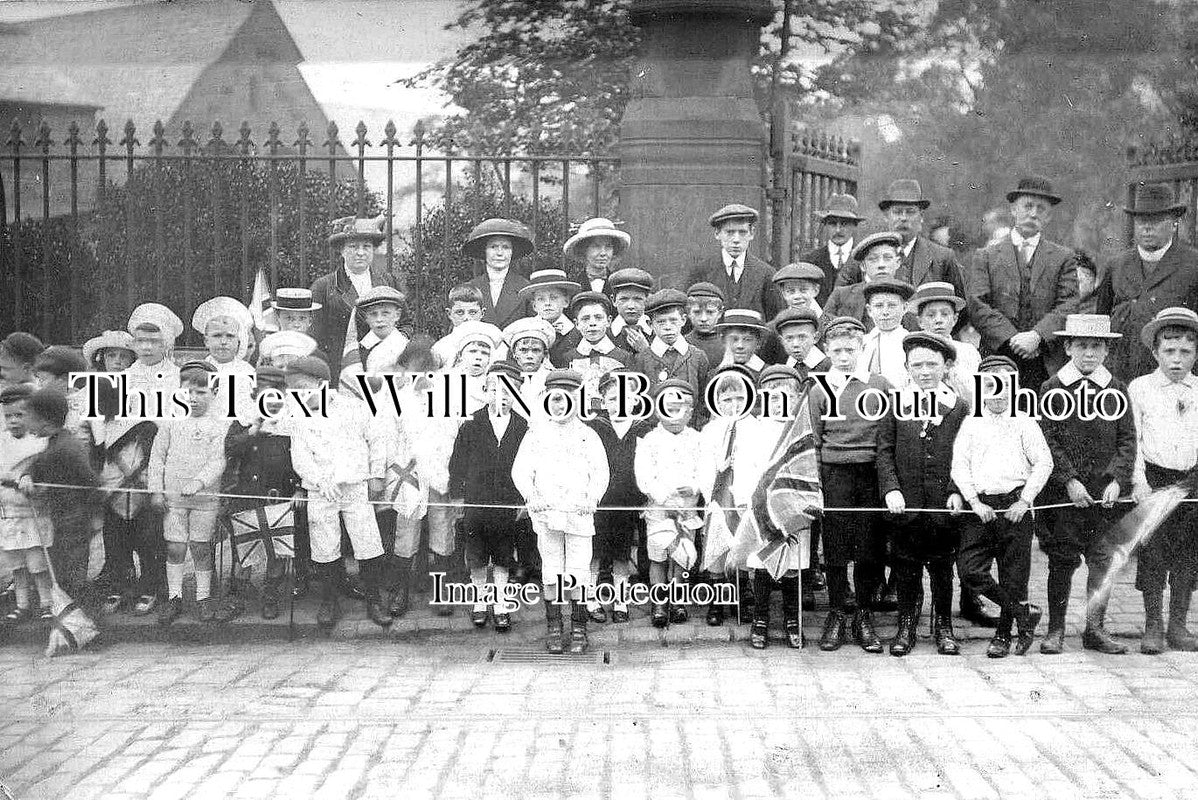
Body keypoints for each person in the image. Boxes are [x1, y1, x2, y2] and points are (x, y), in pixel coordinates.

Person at [1037, 314, 1134, 655]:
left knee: (1103, 560)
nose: (1089, 353)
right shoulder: (1052, 388)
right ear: (1067, 347)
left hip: (1104, 495)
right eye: (1081, 346)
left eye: (1096, 346)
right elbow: (1048, 440)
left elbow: (1127, 440)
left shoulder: (1116, 389)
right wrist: (1069, 481)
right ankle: (1055, 630)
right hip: (1067, 495)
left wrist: (1118, 480)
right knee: (1062, 560)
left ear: (1106, 350)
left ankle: (1095, 629)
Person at [951, 355, 1053, 658]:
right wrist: (973, 500)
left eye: (1004, 387)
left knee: (1014, 576)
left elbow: (1043, 463)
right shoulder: (970, 424)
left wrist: (1025, 500)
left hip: (1014, 508)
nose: (997, 395)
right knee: (970, 571)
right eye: (990, 387)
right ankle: (1023, 613)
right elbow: (959, 467)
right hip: (980, 509)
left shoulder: (1024, 423)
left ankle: (1004, 635)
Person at [876, 332, 970, 656]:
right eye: (917, 365)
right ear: (907, 366)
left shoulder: (958, 408)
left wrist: (958, 492)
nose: (925, 371)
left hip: (943, 504)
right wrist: (891, 489)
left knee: (943, 568)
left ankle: (943, 625)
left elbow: (965, 455)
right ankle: (906, 625)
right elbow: (885, 452)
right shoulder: (895, 405)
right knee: (906, 567)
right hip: (906, 504)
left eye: (932, 364)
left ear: (946, 366)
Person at [286, 355, 392, 629]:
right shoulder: (297, 417)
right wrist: (320, 480)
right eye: (293, 389)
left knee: (367, 542)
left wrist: (376, 475)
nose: (299, 394)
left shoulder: (353, 408)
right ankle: (329, 600)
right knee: (324, 545)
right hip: (321, 492)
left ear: (323, 384)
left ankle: (374, 600)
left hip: (355, 487)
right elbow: (300, 457)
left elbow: (376, 440)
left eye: (304, 387)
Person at [809, 317, 891, 652]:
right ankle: (839, 612)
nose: (844, 356)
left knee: (869, 546)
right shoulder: (820, 389)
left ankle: (864, 614)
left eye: (850, 350)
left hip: (870, 472)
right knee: (837, 545)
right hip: (834, 474)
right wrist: (816, 483)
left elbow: (888, 435)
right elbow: (814, 441)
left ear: (862, 349)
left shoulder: (880, 385)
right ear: (827, 350)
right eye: (837, 350)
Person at [512, 369, 609, 654]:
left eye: (568, 399)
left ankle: (579, 628)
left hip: (579, 513)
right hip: (547, 513)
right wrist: (531, 496)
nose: (561, 405)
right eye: (555, 399)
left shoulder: (588, 435)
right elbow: (521, 470)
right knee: (552, 570)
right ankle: (554, 627)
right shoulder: (536, 434)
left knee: (578, 570)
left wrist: (592, 498)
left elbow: (600, 472)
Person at [1128, 307, 1198, 654]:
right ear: (1155, 352)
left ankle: (1178, 625)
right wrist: (1138, 481)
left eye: (1186, 352)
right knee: (1153, 553)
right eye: (1169, 351)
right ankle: (1153, 624)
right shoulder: (1140, 389)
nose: (1176, 360)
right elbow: (1134, 440)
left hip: (1192, 481)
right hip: (1154, 478)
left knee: (1188, 554)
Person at [969, 176, 1080, 390]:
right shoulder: (986, 256)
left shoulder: (1063, 257)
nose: (1033, 213)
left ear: (1048, 216)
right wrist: (1012, 338)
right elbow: (977, 305)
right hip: (997, 357)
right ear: (1013, 209)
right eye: (1027, 206)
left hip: (1046, 361)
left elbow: (1069, 305)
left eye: (1041, 208)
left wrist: (1037, 336)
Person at [448, 360, 529, 632]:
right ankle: (481, 600)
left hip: (507, 501)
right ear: (485, 390)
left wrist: (524, 499)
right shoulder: (472, 423)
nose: (501, 397)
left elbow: (529, 465)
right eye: (495, 390)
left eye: (509, 392)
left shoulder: (522, 426)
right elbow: (457, 462)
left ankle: (503, 601)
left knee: (504, 551)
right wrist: (458, 497)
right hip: (476, 499)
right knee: (478, 552)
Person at [146, 362, 229, 625]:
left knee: (201, 547)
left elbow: (218, 461)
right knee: (175, 546)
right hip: (174, 499)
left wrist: (199, 482)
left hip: (204, 499)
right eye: (188, 393)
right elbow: (157, 459)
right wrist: (156, 492)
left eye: (201, 393)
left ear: (213, 393)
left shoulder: (219, 426)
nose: (193, 398)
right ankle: (175, 597)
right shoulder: (170, 424)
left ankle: (203, 598)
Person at [223, 365, 303, 621]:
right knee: (245, 541)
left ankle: (271, 593)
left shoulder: (293, 419)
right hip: (249, 489)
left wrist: (300, 487)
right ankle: (239, 590)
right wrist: (253, 430)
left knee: (278, 545)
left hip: (280, 489)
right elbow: (230, 447)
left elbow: (303, 454)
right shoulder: (245, 417)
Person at [1096, 183, 1198, 379]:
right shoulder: (1116, 265)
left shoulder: (1192, 265)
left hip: (1174, 377)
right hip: (1118, 377)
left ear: (1174, 223)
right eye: (1141, 220)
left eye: (1157, 220)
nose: (1147, 227)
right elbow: (1101, 321)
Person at [743, 364, 811, 650]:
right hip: (762, 508)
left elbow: (807, 469)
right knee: (763, 562)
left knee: (792, 564)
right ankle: (760, 620)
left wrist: (803, 504)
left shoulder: (803, 431)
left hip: (793, 507)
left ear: (797, 398)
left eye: (786, 396)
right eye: (771, 397)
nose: (778, 402)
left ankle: (792, 620)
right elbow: (746, 468)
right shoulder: (754, 429)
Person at [636, 380, 705, 626]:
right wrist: (663, 497)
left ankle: (678, 601)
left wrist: (695, 486)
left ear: (690, 411)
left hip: (688, 507)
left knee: (682, 555)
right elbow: (644, 476)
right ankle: (659, 602)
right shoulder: (649, 440)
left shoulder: (698, 440)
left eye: (682, 407)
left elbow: (706, 471)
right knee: (659, 556)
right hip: (659, 509)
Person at [19, 388, 98, 602]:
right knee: (62, 557)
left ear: (45, 422)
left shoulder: (67, 447)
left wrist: (92, 513)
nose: (26, 423)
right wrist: (27, 475)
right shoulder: (54, 443)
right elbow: (39, 464)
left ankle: (75, 604)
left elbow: (91, 480)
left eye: (29, 418)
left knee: (73, 558)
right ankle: (67, 598)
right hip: (62, 513)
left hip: (75, 515)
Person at [92, 377, 163, 617]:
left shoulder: (148, 427)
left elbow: (156, 459)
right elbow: (98, 461)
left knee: (147, 543)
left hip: (142, 493)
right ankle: (120, 586)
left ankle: (150, 587)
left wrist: (149, 485)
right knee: (115, 545)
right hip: (112, 495)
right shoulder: (99, 427)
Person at [585, 370, 651, 624]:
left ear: (635, 400)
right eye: (612, 399)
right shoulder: (594, 428)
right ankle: (591, 599)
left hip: (628, 500)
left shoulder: (644, 428)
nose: (619, 404)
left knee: (622, 554)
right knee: (595, 553)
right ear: (603, 401)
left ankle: (620, 601)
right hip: (599, 501)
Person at [836, 180, 966, 305]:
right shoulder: (864, 254)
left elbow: (960, 309)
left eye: (910, 212)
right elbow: (840, 298)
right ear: (887, 217)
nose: (903, 218)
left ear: (921, 217)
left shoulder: (942, 257)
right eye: (897, 212)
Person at [310, 215, 409, 377]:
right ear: (342, 250)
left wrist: (392, 343)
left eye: (366, 246)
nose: (360, 253)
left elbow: (406, 323)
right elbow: (315, 337)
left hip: (384, 366)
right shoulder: (324, 287)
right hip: (341, 369)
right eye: (353, 247)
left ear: (373, 249)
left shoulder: (388, 281)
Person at [0, 385, 53, 623]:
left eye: (19, 415)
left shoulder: (38, 443)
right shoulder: (2, 443)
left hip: (33, 513)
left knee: (37, 563)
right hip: (8, 513)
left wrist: (30, 477)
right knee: (17, 565)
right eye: (8, 416)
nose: (13, 421)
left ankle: (47, 603)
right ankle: (22, 605)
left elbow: (41, 469)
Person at [687, 204, 782, 319]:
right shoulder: (701, 271)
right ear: (717, 233)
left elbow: (776, 320)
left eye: (742, 232)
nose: (736, 240)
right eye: (730, 232)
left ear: (752, 233)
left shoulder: (766, 274)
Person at [822, 232, 915, 330]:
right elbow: (823, 330)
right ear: (863, 266)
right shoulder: (841, 295)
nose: (881, 265)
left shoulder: (909, 297)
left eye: (887, 258)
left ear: (898, 262)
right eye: (873, 259)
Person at [557, 291, 633, 407]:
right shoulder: (569, 357)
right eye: (585, 319)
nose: (592, 323)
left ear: (608, 321)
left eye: (598, 318)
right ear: (576, 324)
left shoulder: (623, 357)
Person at [912, 282, 982, 407]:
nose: (939, 320)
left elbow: (977, 394)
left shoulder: (967, 352)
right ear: (920, 321)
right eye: (931, 315)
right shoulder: (913, 353)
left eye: (945, 314)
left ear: (955, 319)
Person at [633, 288, 710, 399]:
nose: (668, 327)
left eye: (673, 320)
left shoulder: (697, 356)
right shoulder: (641, 359)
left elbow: (703, 398)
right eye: (661, 322)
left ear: (683, 320)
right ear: (650, 324)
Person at [193, 296, 256, 425]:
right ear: (206, 341)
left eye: (230, 336)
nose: (223, 342)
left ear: (238, 341)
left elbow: (252, 409)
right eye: (217, 336)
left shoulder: (247, 372)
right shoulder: (196, 371)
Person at [463, 218, 535, 330]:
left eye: (506, 247)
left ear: (512, 252)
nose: (500, 253)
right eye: (493, 247)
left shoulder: (525, 288)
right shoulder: (470, 289)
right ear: (484, 251)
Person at [800, 193, 864, 305]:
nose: (838, 230)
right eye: (833, 224)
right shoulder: (809, 261)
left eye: (844, 224)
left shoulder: (864, 259)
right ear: (825, 225)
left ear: (854, 225)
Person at [859, 278, 918, 390]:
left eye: (892, 305)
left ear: (905, 308)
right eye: (879, 306)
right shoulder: (861, 343)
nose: (885, 312)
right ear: (869, 310)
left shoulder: (911, 344)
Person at [518, 268, 582, 365]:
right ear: (534, 305)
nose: (547, 303)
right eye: (541, 299)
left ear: (566, 301)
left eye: (553, 298)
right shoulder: (524, 331)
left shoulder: (576, 334)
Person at [124, 303, 183, 399]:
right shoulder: (126, 377)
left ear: (166, 344)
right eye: (140, 340)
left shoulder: (178, 378)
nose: (146, 347)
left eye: (154, 341)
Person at [32, 346, 90, 441]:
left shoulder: (84, 407)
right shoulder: (42, 406)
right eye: (38, 379)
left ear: (64, 379)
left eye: (43, 379)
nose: (39, 385)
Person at [564, 217, 630, 294]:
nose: (603, 253)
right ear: (584, 250)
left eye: (608, 247)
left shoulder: (620, 285)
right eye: (596, 246)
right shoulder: (573, 285)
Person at [433, 284, 486, 366]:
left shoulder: (493, 344)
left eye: (472, 312)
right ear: (449, 313)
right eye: (460, 312)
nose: (466, 318)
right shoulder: (440, 348)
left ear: (482, 313)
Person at [606, 267, 655, 354]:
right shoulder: (605, 334)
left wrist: (646, 351)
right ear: (613, 300)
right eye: (624, 299)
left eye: (638, 299)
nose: (631, 306)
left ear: (647, 300)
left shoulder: (656, 331)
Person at [713, 309, 769, 378]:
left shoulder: (767, 374)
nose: (740, 346)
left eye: (747, 340)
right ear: (723, 341)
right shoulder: (713, 375)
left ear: (758, 343)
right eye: (734, 339)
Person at [684, 282, 726, 368]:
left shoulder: (727, 345)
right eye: (697, 312)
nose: (703, 318)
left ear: (720, 313)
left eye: (710, 312)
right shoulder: (682, 344)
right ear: (688, 313)